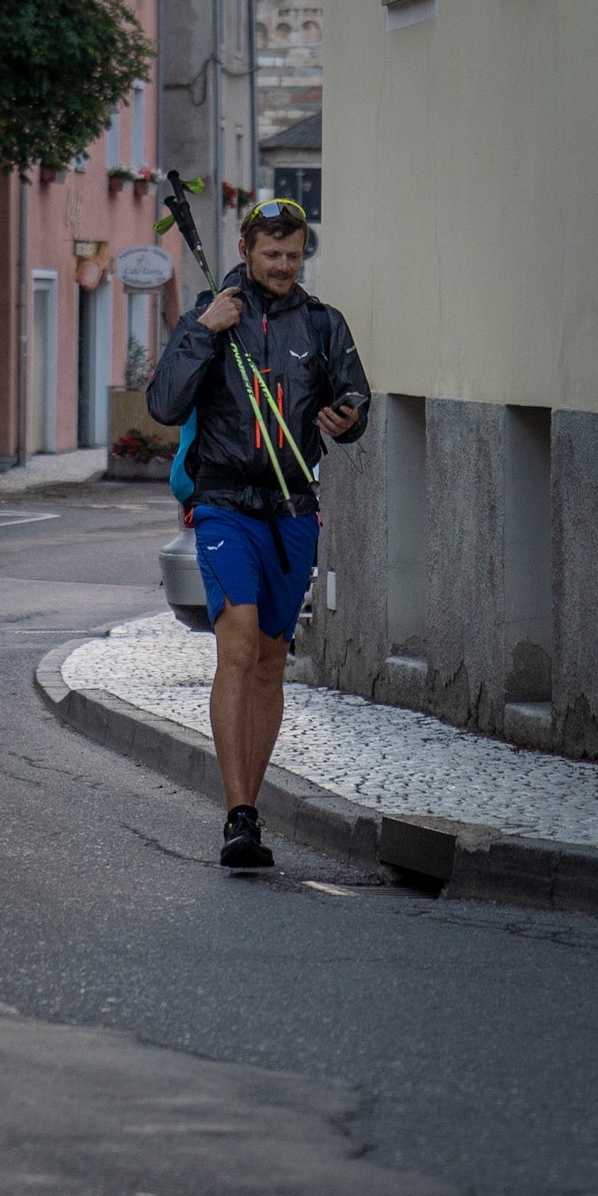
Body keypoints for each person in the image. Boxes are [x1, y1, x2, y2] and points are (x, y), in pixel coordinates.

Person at [146, 196, 369, 870]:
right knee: (237, 639)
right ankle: (238, 812)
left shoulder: (323, 323)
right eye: (271, 255)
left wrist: (348, 417)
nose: (282, 266)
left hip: (293, 506)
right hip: (224, 504)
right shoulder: (213, 317)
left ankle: (254, 803)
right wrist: (203, 333)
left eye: (293, 255)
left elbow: (355, 395)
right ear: (245, 250)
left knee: (272, 657)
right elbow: (163, 404)